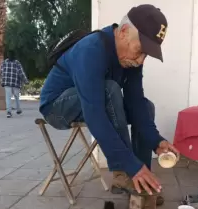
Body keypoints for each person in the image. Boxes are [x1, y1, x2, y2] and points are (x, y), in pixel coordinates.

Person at [39, 4, 179, 206]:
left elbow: (136, 103)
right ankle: (125, 173)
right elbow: (95, 113)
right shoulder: (90, 49)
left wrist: (156, 141)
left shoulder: (130, 58)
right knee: (110, 89)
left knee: (146, 107)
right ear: (123, 33)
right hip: (57, 107)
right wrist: (129, 163)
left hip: (95, 101)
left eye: (146, 55)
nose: (140, 61)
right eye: (140, 50)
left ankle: (142, 182)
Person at [0, 51, 28, 118]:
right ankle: (18, 109)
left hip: (7, 82)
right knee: (16, 97)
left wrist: (2, 81)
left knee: (8, 98)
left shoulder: (4, 62)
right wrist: (25, 80)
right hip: (15, 82)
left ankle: (9, 112)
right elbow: (21, 72)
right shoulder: (17, 62)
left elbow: (1, 72)